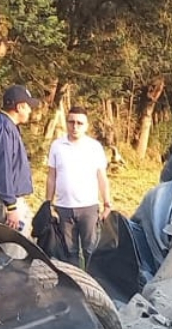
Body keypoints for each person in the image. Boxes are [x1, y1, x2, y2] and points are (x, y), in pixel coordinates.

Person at [45, 105, 113, 267]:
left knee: (91, 249)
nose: (75, 126)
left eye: (79, 123)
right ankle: (73, 284)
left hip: (88, 207)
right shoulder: (57, 146)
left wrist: (107, 203)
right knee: (69, 251)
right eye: (71, 122)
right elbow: (51, 177)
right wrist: (48, 203)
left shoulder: (94, 147)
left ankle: (93, 281)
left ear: (87, 125)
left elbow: (102, 177)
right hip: (63, 208)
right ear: (67, 123)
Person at [0, 85, 39, 233]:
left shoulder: (7, 125)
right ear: (20, 107)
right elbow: (2, 168)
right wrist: (11, 206)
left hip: (9, 198)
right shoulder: (3, 127)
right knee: (14, 249)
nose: (30, 111)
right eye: (28, 107)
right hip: (6, 200)